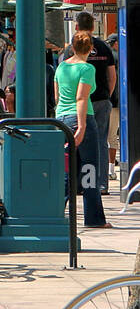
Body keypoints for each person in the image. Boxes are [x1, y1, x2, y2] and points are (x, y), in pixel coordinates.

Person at [55, 31, 110, 229]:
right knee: (89, 169)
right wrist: (82, 126)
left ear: (72, 46)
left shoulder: (61, 66)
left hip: (61, 118)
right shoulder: (86, 69)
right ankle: (94, 217)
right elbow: (81, 97)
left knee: (66, 169)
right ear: (91, 49)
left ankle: (55, 212)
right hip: (82, 118)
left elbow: (57, 96)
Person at [64, 13, 117, 196]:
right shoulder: (103, 47)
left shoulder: (71, 49)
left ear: (76, 26)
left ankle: (77, 183)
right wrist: (106, 96)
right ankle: (101, 184)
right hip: (100, 100)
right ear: (93, 27)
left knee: (76, 143)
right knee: (100, 142)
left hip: (75, 104)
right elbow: (112, 76)